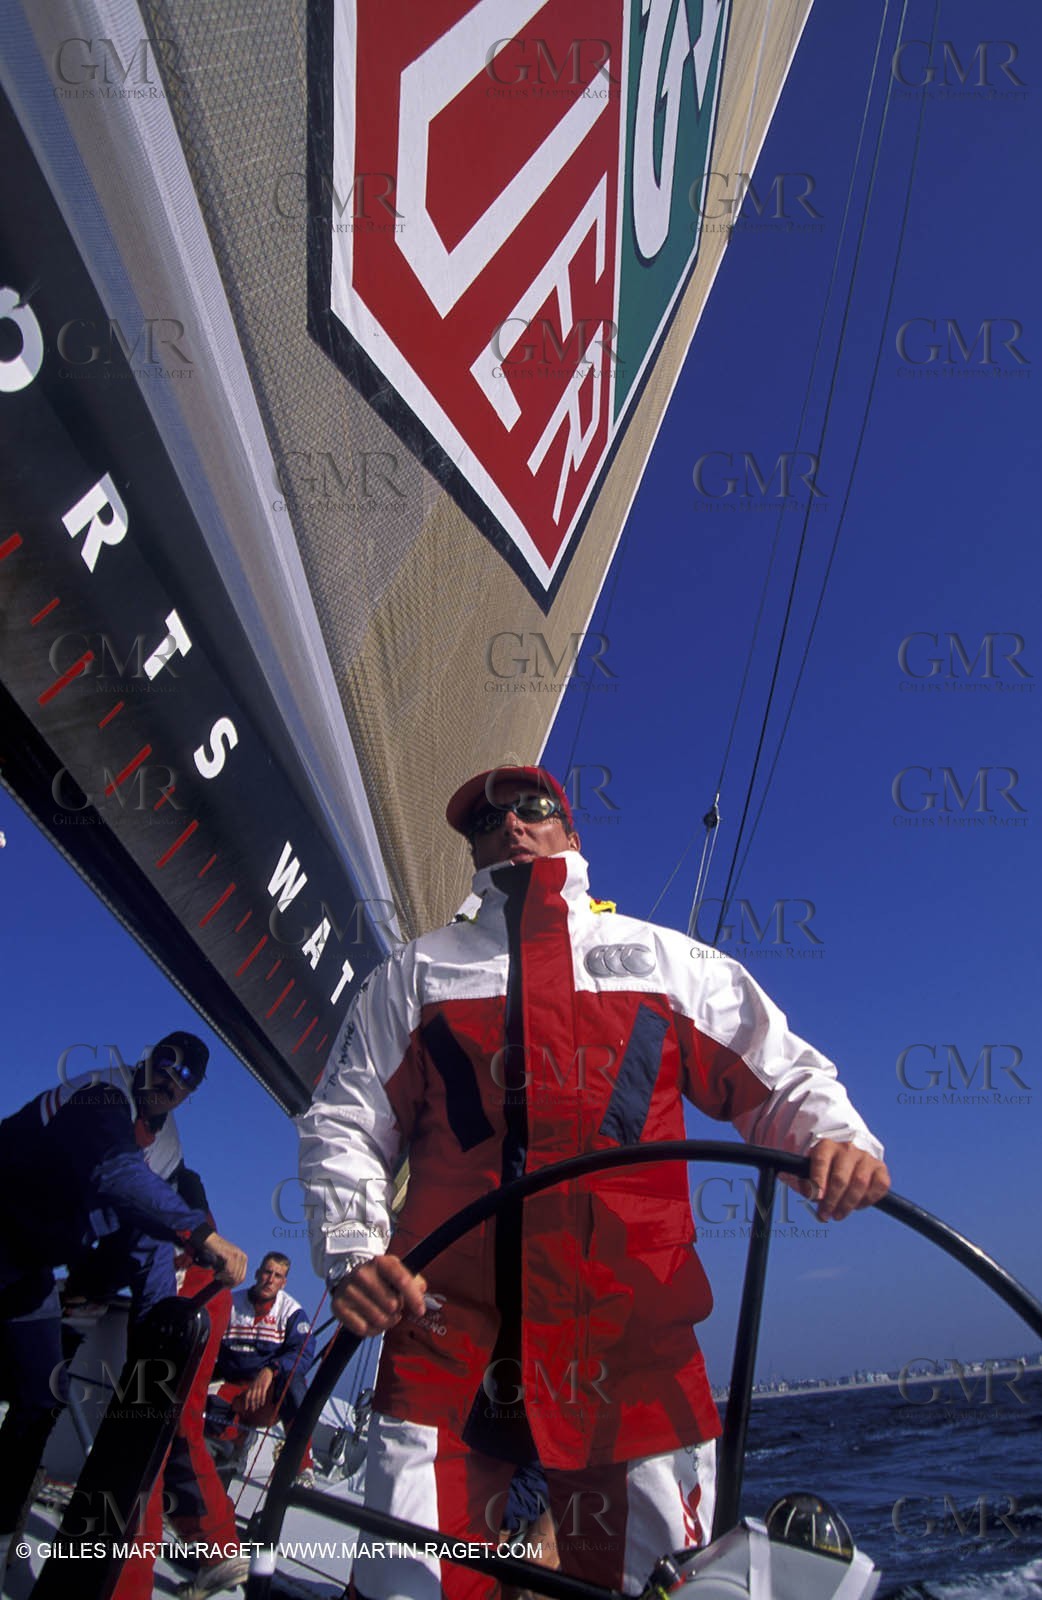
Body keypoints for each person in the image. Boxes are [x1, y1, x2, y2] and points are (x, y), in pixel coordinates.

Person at [298, 766, 890, 1600]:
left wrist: (835, 1139)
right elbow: (344, 1122)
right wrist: (354, 1247)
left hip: (634, 1340)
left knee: (649, 1583)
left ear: (572, 835)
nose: (511, 824)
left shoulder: (662, 960)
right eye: (488, 819)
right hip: (444, 1336)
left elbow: (779, 1072)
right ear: (473, 849)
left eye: (533, 808)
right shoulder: (415, 977)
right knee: (410, 1586)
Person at [0, 1031, 247, 1569]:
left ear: (191, 1091)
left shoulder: (168, 1147)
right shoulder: (102, 1093)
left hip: (30, 1270)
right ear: (148, 1060)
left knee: (42, 1398)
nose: (168, 1081)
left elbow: (144, 1237)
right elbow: (115, 1173)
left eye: (183, 1078)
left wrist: (160, 1316)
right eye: (165, 1064)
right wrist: (202, 1235)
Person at [205, 1252, 317, 1479]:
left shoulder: (291, 1312)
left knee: (294, 1383)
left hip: (267, 1396)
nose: (270, 1279)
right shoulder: (232, 1304)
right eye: (267, 1272)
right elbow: (207, 1344)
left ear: (283, 1282)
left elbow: (302, 1354)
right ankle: (229, 1456)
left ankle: (301, 1464)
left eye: (277, 1276)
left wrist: (270, 1370)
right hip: (233, 1388)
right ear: (257, 1273)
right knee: (207, 1405)